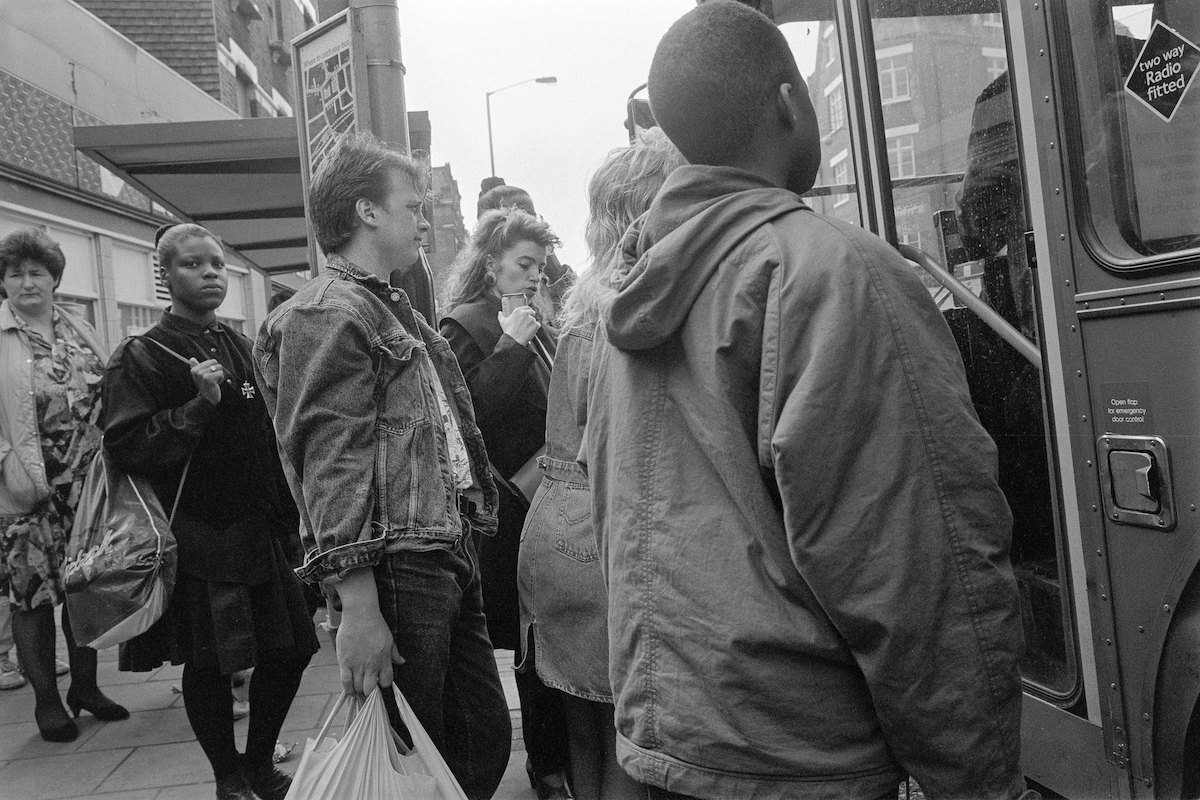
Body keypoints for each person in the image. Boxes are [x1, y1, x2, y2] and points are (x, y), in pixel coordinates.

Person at [584, 3, 1029, 799]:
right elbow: (918, 568)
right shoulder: (835, 272)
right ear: (790, 100)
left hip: (672, 747)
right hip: (805, 758)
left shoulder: (631, 295)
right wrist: (975, 777)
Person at [254, 131, 511, 800]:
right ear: (367, 212)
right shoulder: (324, 312)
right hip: (399, 563)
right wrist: (357, 605)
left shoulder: (386, 307)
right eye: (413, 205)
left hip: (441, 551)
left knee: (475, 741)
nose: (423, 219)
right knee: (413, 755)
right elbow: (329, 461)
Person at [103, 223, 317, 800]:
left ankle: (255, 764)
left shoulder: (238, 345)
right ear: (165, 276)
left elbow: (267, 432)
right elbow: (126, 445)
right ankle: (228, 776)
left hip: (260, 528)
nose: (210, 274)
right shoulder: (141, 355)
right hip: (198, 535)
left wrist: (291, 517)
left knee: (292, 652)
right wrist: (197, 407)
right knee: (210, 664)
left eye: (217, 264)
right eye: (193, 265)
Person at [517, 127, 683, 800]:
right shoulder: (642, 302)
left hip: (553, 530)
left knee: (583, 730)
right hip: (602, 534)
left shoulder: (584, 297)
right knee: (630, 740)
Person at [440, 209, 571, 800]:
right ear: (490, 262)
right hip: (510, 512)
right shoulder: (464, 327)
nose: (533, 277)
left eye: (539, 267)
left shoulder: (534, 321)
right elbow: (467, 422)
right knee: (529, 644)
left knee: (548, 635)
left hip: (549, 502)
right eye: (523, 264)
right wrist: (514, 345)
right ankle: (545, 762)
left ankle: (558, 757)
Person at [0, 228, 127, 742]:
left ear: (55, 278)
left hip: (87, 485)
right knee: (30, 599)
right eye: (15, 273)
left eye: (37, 272)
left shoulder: (79, 327)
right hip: (25, 490)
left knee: (84, 588)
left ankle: (86, 689)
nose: (27, 282)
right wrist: (8, 466)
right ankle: (47, 704)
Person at [476, 185, 575, 316]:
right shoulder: (471, 317)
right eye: (519, 215)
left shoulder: (541, 283)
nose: (532, 223)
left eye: (533, 216)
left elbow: (581, 315)